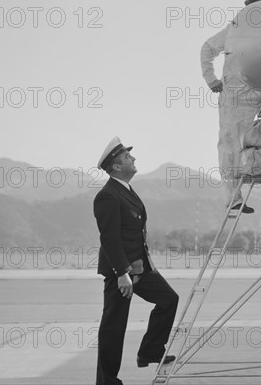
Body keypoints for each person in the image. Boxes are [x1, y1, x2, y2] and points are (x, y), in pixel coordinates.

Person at [94, 137, 179, 385]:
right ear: (117, 167)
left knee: (168, 299)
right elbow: (109, 238)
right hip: (121, 271)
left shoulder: (125, 190)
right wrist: (121, 272)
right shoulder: (107, 195)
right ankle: (107, 381)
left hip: (141, 268)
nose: (133, 158)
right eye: (127, 157)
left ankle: (150, 350)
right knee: (113, 327)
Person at [200, 0, 261, 214]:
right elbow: (207, 49)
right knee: (231, 144)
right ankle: (233, 199)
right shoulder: (233, 31)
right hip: (236, 96)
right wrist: (211, 80)